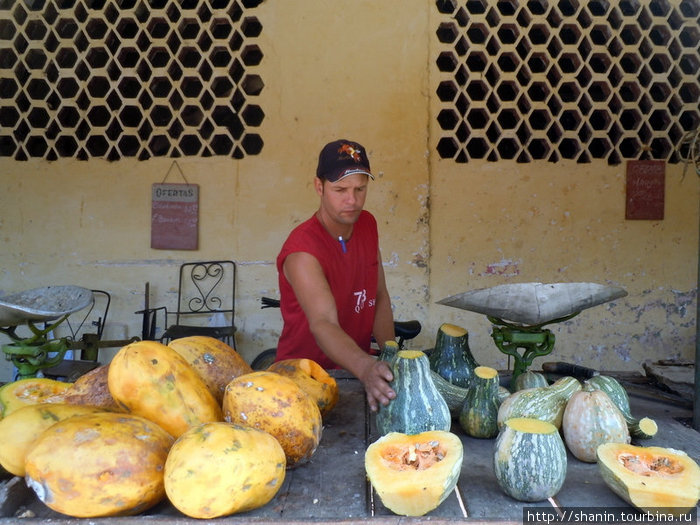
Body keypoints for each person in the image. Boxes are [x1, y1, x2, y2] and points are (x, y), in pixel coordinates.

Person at [275, 139, 396, 412]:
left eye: (360, 189)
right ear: (319, 187)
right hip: (301, 385)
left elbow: (378, 297)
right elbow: (323, 323)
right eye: (340, 189)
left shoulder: (367, 224)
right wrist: (367, 366)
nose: (351, 200)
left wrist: (391, 358)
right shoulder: (302, 250)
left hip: (352, 378)